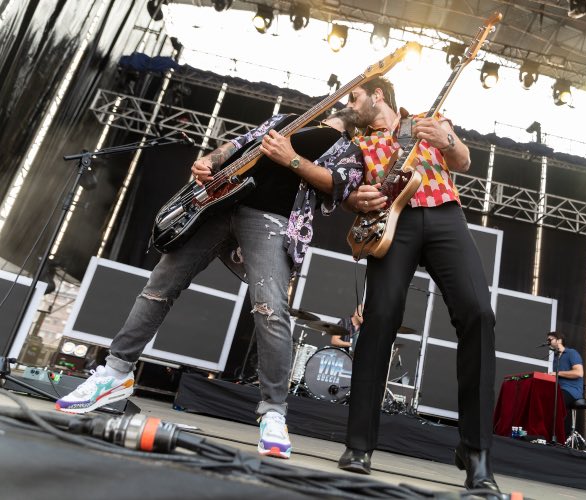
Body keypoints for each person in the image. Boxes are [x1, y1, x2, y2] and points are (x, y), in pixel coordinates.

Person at [55, 108, 364, 461]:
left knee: (271, 311)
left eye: (360, 95)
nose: (352, 99)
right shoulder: (294, 117)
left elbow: (338, 188)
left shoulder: (351, 148)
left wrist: (291, 159)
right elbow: (239, 142)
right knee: (159, 286)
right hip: (218, 204)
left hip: (272, 219)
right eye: (351, 95)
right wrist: (209, 160)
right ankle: (115, 372)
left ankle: (274, 413)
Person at [335, 77, 505, 497]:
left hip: (444, 213)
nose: (349, 105)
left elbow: (463, 160)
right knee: (380, 319)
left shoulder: (427, 120)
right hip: (395, 223)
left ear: (378, 96)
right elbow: (346, 191)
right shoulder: (359, 143)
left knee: (479, 314)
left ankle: (476, 452)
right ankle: (359, 445)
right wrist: (360, 198)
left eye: (353, 97)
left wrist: (447, 138)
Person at [547, 331, 584, 436]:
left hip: (572, 391)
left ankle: (559, 436)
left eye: (550, 339)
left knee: (557, 402)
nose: (548, 341)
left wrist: (557, 373)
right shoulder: (555, 357)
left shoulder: (572, 353)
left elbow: (579, 373)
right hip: (560, 389)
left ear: (559, 340)